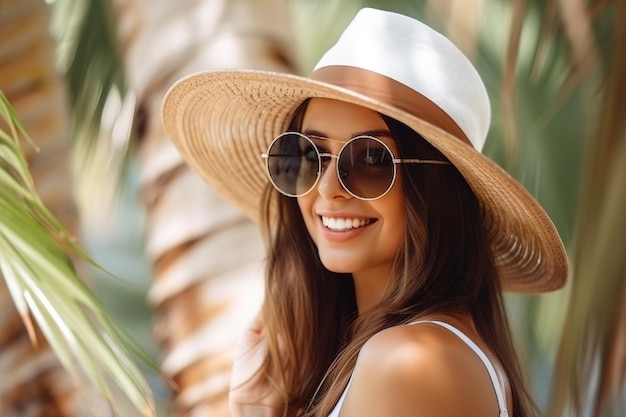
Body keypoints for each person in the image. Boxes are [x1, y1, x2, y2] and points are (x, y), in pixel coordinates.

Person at [162, 7, 568, 417]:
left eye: (371, 159)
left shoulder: (408, 361)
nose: (328, 188)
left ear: (437, 191)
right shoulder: (406, 355)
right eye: (309, 153)